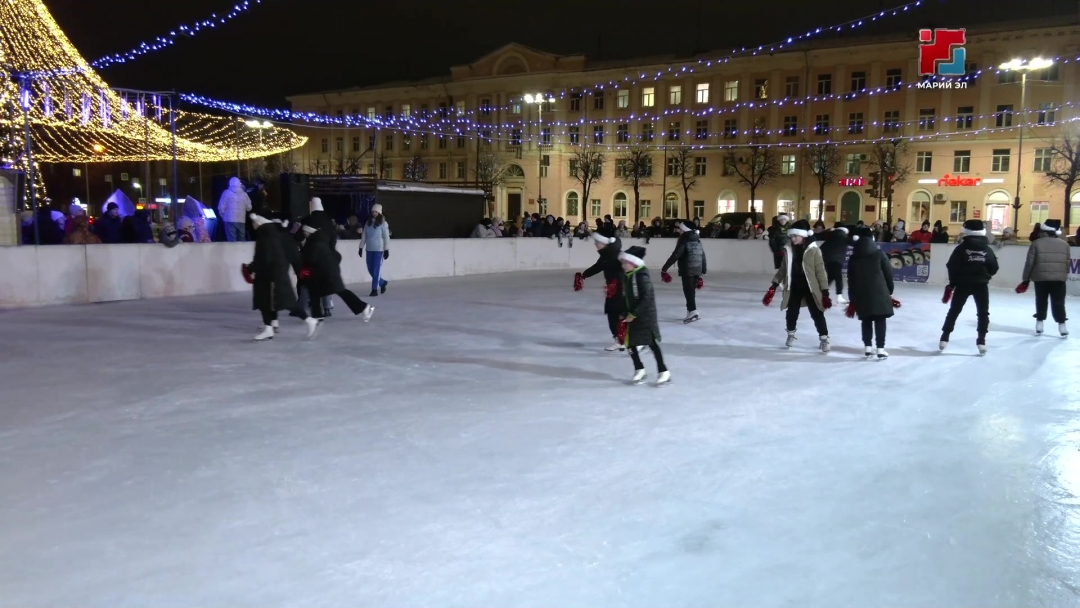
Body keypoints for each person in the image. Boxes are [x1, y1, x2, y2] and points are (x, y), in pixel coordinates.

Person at [247, 213, 320, 341]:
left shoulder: (266, 237)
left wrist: (252, 269)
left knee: (285, 302)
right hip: (275, 274)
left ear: (258, 223)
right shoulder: (271, 235)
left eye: (254, 222)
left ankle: (309, 320)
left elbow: (264, 258)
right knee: (268, 302)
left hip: (271, 276)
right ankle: (269, 328)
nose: (252, 225)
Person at [299, 199, 374, 324]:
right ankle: (318, 316)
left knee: (334, 289)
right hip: (327, 262)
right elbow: (332, 243)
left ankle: (363, 307)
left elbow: (305, 248)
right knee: (317, 290)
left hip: (326, 265)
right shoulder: (328, 223)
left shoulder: (313, 232)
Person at [763, 219, 831, 352]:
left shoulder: (813, 250)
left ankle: (824, 338)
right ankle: (791, 334)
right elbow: (783, 269)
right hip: (793, 287)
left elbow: (820, 270)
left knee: (817, 314)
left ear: (804, 235)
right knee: (791, 313)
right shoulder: (789, 249)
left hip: (811, 288)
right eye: (792, 236)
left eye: (796, 236)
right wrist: (775, 283)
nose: (793, 238)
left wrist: (825, 290)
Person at [940, 219, 998, 354]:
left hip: (963, 284)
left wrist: (953, 283)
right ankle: (981, 341)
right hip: (981, 285)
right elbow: (994, 266)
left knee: (954, 311)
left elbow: (952, 266)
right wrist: (985, 276)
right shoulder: (987, 249)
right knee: (983, 313)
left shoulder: (961, 249)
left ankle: (944, 337)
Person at [618, 246, 670, 385]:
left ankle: (663, 371)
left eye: (624, 262)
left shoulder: (642, 276)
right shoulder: (628, 276)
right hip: (632, 314)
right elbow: (626, 297)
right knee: (630, 343)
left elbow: (647, 297)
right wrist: (624, 313)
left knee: (651, 343)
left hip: (645, 315)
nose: (622, 265)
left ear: (633, 263)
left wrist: (633, 314)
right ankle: (639, 369)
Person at [846, 225, 895, 359]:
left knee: (866, 320)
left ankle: (868, 347)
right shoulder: (879, 254)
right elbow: (888, 274)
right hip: (880, 292)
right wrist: (889, 290)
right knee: (880, 320)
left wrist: (852, 297)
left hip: (861, 293)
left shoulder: (853, 258)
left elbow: (851, 279)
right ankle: (880, 349)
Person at [576, 232, 626, 351]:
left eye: (597, 242)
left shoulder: (616, 255)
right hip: (611, 289)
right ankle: (619, 341)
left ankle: (633, 341)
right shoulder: (605, 255)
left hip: (621, 289)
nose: (595, 244)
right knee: (611, 313)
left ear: (604, 243)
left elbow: (629, 269)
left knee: (621, 314)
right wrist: (584, 275)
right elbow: (598, 267)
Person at [1019, 219, 1069, 337]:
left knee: (1041, 300)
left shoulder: (1036, 243)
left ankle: (1039, 323)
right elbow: (1067, 263)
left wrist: (1026, 279)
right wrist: (1063, 275)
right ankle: (1062, 326)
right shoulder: (1065, 244)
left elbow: (1029, 263)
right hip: (1058, 279)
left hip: (1040, 278)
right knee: (1058, 302)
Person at [661, 221, 707, 324]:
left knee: (688, 292)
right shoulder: (698, 240)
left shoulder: (684, 240)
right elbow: (702, 256)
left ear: (685, 230)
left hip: (687, 269)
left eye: (681, 230)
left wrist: (664, 268)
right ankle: (690, 311)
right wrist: (703, 271)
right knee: (691, 291)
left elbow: (676, 255)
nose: (680, 231)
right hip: (697, 270)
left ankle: (693, 311)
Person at [360, 203, 390, 297]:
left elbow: (386, 237)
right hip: (369, 249)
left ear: (379, 213)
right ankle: (382, 282)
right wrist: (361, 247)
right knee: (370, 269)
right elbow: (364, 235)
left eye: (376, 212)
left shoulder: (383, 224)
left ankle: (374, 289)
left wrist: (386, 249)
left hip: (378, 250)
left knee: (376, 270)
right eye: (373, 211)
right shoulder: (368, 223)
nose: (374, 213)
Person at [818, 222, 850, 304]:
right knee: (838, 278)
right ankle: (839, 296)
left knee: (830, 278)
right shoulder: (843, 237)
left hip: (828, 260)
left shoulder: (831, 237)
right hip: (837, 261)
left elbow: (822, 248)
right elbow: (854, 243)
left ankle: (821, 294)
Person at [219, 177, 251, 242]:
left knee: (232, 240)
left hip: (229, 219)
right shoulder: (244, 194)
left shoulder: (226, 193)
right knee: (241, 239)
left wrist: (223, 216)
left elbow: (221, 207)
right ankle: (242, 251)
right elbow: (249, 208)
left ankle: (233, 251)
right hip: (241, 220)